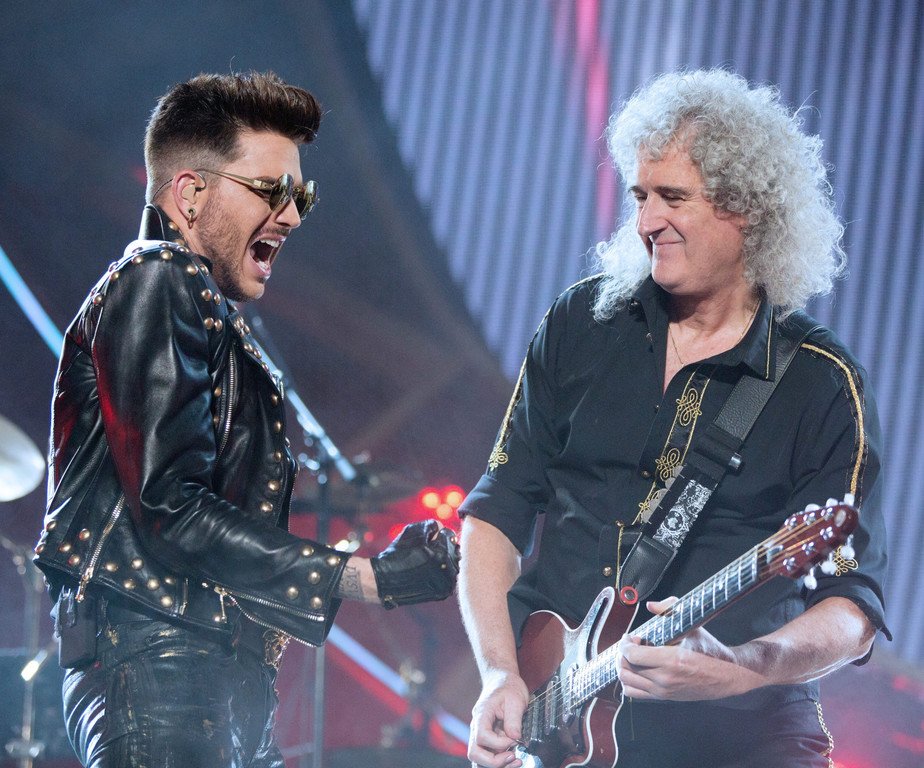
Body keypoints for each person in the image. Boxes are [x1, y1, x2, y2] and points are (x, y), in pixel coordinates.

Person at [458, 69, 889, 768]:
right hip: (556, 722)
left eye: (672, 198)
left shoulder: (820, 382)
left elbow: (854, 604)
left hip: (739, 741)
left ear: (745, 209)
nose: (645, 222)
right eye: (640, 196)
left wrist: (745, 665)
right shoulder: (581, 322)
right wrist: (498, 672)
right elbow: (496, 512)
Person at [34, 71, 459, 768]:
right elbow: (170, 507)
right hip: (160, 673)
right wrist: (369, 579)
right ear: (190, 194)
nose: (292, 216)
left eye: (302, 196)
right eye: (271, 190)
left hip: (213, 682)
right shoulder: (158, 277)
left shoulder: (208, 312)